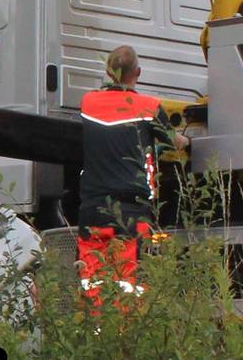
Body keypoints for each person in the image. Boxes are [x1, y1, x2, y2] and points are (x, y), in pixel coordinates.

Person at [76, 45, 186, 299]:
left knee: (91, 279)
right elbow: (173, 142)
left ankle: (95, 329)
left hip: (92, 209)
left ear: (108, 71)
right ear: (138, 72)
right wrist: (188, 141)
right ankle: (125, 331)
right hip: (131, 211)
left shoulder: (88, 102)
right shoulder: (148, 107)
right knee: (128, 281)